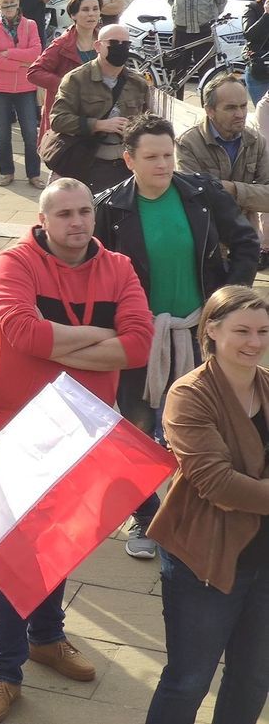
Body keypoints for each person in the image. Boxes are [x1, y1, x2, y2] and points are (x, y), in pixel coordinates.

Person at [0, 177, 153, 724]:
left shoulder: (118, 267)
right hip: (20, 424)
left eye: (84, 212)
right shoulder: (15, 263)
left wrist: (59, 346)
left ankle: (46, 638)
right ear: (44, 219)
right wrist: (103, 340)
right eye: (65, 215)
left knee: (63, 543)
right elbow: (22, 334)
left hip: (85, 426)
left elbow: (141, 343)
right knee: (18, 554)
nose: (77, 223)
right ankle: (4, 670)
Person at [95, 113, 259, 559]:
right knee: (138, 429)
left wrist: (225, 300)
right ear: (129, 160)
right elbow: (92, 273)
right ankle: (145, 516)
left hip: (199, 333)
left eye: (168, 155)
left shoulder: (202, 193)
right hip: (138, 339)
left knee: (201, 425)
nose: (163, 165)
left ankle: (194, 512)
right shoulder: (108, 208)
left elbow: (246, 244)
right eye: (151, 157)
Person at [142, 285, 269, 724]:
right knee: (189, 680)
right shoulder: (189, 394)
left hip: (265, 556)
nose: (254, 342)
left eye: (263, 331)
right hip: (205, 558)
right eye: (242, 331)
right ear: (211, 330)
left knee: (255, 677)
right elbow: (217, 483)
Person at [177, 73, 269, 265]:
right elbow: (194, 197)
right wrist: (249, 196)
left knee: (241, 295)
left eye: (243, 106)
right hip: (206, 244)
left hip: (244, 243)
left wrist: (233, 189)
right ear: (210, 111)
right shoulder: (188, 143)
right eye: (231, 108)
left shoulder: (256, 141)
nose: (241, 114)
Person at [48, 23, 151, 193]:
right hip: (87, 163)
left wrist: (135, 128)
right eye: (114, 43)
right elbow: (58, 120)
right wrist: (98, 125)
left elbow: (148, 121)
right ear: (98, 46)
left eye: (125, 44)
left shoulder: (138, 83)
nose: (121, 48)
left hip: (126, 166)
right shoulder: (76, 79)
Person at [0, 0, 44, 188]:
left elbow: (36, 52)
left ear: (18, 3)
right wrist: (20, 63)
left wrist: (9, 53)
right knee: (2, 134)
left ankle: (34, 174)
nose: (9, 6)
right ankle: (6, 172)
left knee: (30, 133)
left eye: (12, 2)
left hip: (25, 87)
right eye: (5, 3)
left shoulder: (30, 25)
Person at [29, 0, 103, 139]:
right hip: (66, 117)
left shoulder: (104, 40)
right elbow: (34, 72)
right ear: (73, 15)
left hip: (97, 116)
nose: (91, 14)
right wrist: (67, 84)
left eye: (95, 9)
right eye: (85, 9)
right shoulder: (62, 44)